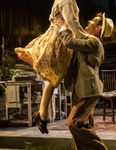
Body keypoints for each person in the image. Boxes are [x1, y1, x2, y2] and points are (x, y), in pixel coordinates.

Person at [15, 0, 89, 134]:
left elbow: (56, 18)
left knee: (54, 78)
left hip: (58, 37)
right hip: (60, 40)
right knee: (59, 76)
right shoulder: (66, 0)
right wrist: (85, 37)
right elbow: (72, 22)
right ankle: (75, 115)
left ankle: (43, 114)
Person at [57, 12, 114, 150]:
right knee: (83, 125)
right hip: (81, 88)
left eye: (93, 22)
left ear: (99, 28)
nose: (88, 22)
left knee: (74, 123)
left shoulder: (94, 41)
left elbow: (70, 42)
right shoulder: (88, 41)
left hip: (88, 89)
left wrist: (63, 28)